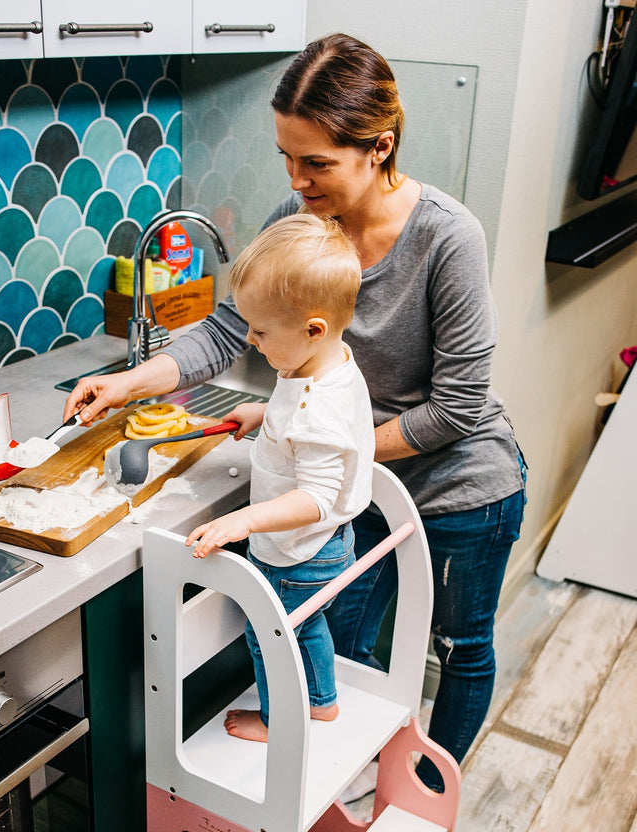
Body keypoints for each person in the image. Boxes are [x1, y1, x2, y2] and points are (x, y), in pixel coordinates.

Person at [65, 33, 526, 788]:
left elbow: (457, 409)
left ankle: (422, 794)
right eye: (286, 157)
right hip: (352, 484)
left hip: (459, 482)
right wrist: (131, 381)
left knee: (460, 648)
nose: (296, 180)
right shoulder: (300, 214)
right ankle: (352, 781)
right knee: (338, 643)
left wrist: (316, 446)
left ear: (379, 148)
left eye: (316, 163)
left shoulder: (448, 237)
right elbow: (230, 328)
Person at [184, 215, 375, 743]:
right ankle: (322, 702)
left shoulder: (318, 406)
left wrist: (243, 521)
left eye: (261, 331)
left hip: (299, 552)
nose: (249, 339)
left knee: (270, 635)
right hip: (324, 545)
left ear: (313, 329)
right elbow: (304, 418)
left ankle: (280, 721)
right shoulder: (326, 363)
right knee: (307, 627)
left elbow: (315, 498)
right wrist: (265, 411)